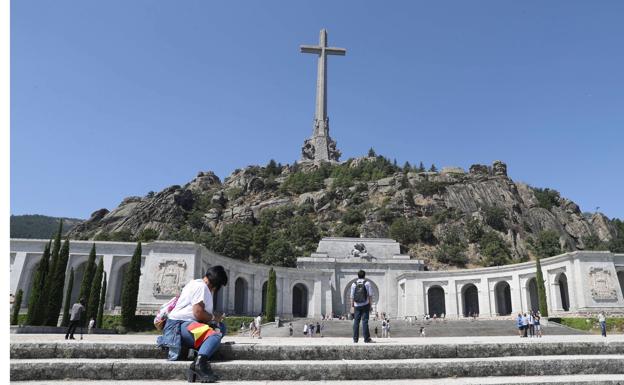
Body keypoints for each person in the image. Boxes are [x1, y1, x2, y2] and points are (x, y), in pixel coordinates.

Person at [157, 265, 228, 383]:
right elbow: (198, 313)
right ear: (216, 285)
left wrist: (214, 321)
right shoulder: (202, 287)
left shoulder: (195, 283)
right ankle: (199, 364)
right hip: (180, 326)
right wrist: (214, 317)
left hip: (185, 325)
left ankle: (197, 350)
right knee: (215, 334)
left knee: (221, 328)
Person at [350, 270, 373, 343]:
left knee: (356, 322)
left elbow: (352, 296)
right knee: (365, 322)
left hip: (356, 305)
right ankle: (366, 339)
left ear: (358, 275)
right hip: (365, 305)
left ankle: (355, 339)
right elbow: (370, 295)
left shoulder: (354, 284)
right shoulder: (367, 283)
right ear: (364, 275)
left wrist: (352, 306)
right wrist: (370, 305)